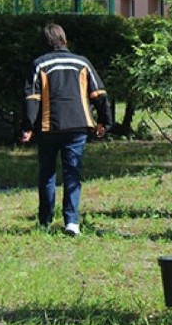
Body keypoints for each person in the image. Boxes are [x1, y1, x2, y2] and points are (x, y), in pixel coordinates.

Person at [20, 23, 112, 236]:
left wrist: (28, 126)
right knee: (73, 173)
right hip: (78, 125)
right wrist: (105, 122)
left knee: (47, 174)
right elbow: (99, 94)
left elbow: (31, 98)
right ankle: (72, 221)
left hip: (48, 126)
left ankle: (45, 221)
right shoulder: (82, 62)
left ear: (45, 43)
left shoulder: (39, 64)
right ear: (65, 40)